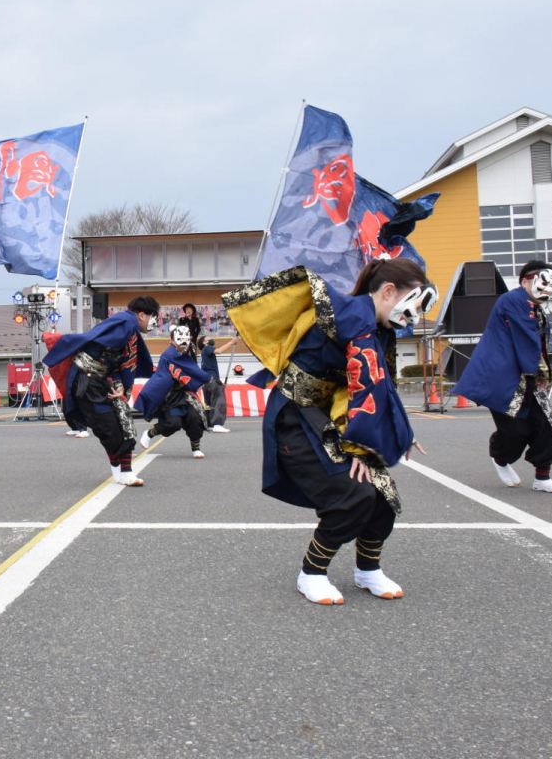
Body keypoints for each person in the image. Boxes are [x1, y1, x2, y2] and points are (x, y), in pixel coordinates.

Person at [225, 259, 437, 605]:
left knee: (382, 494)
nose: (412, 319)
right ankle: (311, 573)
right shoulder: (353, 318)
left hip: (326, 416)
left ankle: (368, 569)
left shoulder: (373, 327)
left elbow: (380, 388)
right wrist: (361, 447)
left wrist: (401, 429)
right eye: (412, 306)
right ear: (388, 292)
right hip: (294, 418)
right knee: (352, 492)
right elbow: (365, 387)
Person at [453, 260, 552, 494]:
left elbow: (538, 343)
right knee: (515, 431)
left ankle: (543, 478)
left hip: (530, 377)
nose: (546, 291)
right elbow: (526, 337)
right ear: (525, 281)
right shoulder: (513, 300)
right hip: (505, 378)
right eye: (540, 283)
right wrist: (538, 370)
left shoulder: (534, 306)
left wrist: (539, 373)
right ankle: (500, 458)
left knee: (545, 425)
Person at [44, 296, 158, 486]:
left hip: (102, 382)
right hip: (88, 382)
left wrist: (118, 384)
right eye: (153, 316)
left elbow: (113, 362)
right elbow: (97, 347)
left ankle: (124, 473)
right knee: (109, 428)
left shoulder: (127, 325)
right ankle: (121, 472)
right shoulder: (126, 323)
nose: (154, 322)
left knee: (124, 424)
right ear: (142, 315)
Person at [136, 325, 210, 458]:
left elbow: (192, 368)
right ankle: (149, 433)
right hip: (169, 395)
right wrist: (207, 378)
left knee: (195, 418)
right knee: (173, 423)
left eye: (186, 339)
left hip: (185, 393)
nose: (183, 343)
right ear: (171, 340)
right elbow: (191, 370)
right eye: (179, 339)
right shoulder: (170, 354)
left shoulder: (186, 352)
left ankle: (195, 448)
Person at [198, 335, 239, 433]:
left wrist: (219, 383)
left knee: (209, 403)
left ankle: (209, 424)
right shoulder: (207, 348)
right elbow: (219, 351)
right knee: (219, 400)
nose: (211, 339)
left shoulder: (204, 353)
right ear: (204, 342)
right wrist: (231, 342)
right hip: (212, 379)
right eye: (208, 338)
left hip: (206, 381)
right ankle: (217, 424)